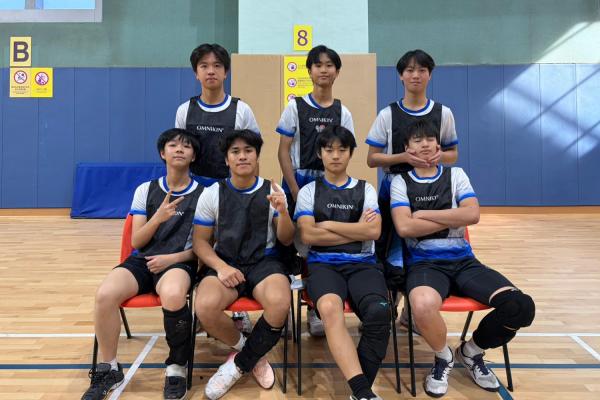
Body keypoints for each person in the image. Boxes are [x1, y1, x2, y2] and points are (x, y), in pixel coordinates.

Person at [390, 120, 535, 397]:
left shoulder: (456, 175)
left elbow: (472, 214)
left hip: (464, 262)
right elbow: (405, 227)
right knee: (421, 305)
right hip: (424, 263)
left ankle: (471, 351)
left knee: (520, 306)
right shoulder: (401, 182)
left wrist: (423, 214)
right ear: (407, 148)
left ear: (438, 144)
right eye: (417, 140)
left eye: (429, 139)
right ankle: (443, 356)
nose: (424, 144)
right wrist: (451, 216)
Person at [82, 129, 204, 400]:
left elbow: (204, 247)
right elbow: (137, 240)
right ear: (163, 153)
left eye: (186, 146)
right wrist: (158, 217)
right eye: (173, 145)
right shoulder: (145, 190)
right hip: (142, 259)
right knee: (105, 295)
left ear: (194, 155)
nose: (179, 149)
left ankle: (176, 366)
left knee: (173, 294)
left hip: (178, 261)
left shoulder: (205, 194)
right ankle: (109, 368)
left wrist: (171, 259)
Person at [193, 130, 294, 400]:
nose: (242, 156)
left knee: (280, 303)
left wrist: (283, 212)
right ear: (227, 159)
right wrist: (221, 267)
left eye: (248, 150)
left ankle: (239, 364)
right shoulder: (212, 193)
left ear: (257, 156)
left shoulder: (272, 190)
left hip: (264, 261)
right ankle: (253, 353)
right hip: (226, 261)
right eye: (235, 152)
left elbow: (286, 238)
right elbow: (200, 243)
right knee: (205, 306)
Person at [365, 49, 459, 331]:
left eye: (421, 70)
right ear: (400, 76)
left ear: (430, 75)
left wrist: (437, 157)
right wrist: (404, 158)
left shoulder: (443, 113)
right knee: (388, 250)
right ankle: (386, 307)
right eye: (409, 70)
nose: (415, 75)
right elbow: (372, 159)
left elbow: (453, 154)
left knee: (421, 249)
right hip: (394, 188)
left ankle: (412, 311)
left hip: (431, 190)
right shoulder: (387, 114)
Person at [295, 125, 390, 400]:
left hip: (363, 263)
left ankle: (360, 390)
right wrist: (355, 229)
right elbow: (308, 235)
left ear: (350, 153)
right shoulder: (308, 192)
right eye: (329, 150)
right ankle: (363, 391)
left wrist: (327, 225)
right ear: (319, 153)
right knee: (328, 308)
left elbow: (373, 231)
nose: (335, 155)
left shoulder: (366, 189)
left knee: (379, 312)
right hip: (322, 265)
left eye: (342, 150)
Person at [175, 42, 257, 332]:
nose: (210, 71)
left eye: (217, 66)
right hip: (195, 190)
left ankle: (237, 309)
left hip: (230, 190)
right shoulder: (185, 110)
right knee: (198, 248)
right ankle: (200, 307)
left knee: (231, 247)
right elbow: (179, 153)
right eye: (204, 66)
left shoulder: (241, 109)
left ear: (226, 72)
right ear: (196, 73)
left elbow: (252, 155)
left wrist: (249, 195)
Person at [277, 44, 355, 336]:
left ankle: (315, 306)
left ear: (337, 71)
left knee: (320, 244)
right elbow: (283, 152)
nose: (324, 70)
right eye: (318, 65)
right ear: (309, 71)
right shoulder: (294, 107)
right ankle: (283, 307)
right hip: (297, 182)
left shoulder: (343, 112)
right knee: (287, 244)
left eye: (329, 65)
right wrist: (295, 190)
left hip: (328, 186)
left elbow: (345, 154)